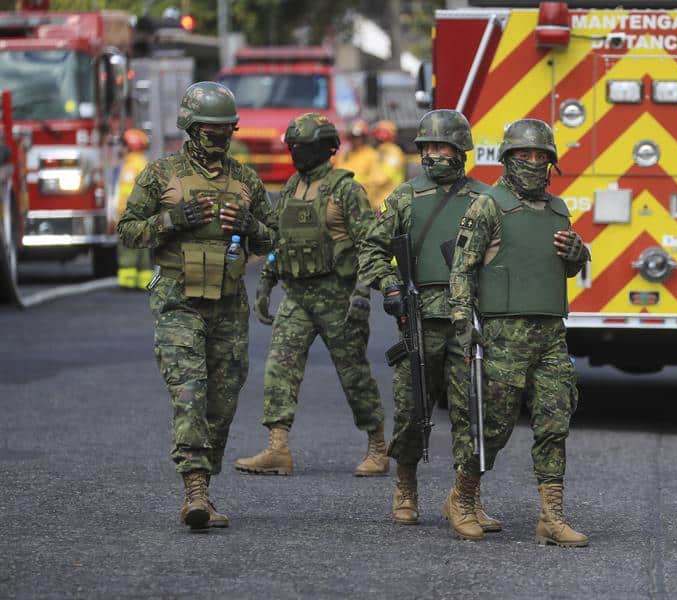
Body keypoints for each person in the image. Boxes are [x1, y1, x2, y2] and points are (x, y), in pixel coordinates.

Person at [117, 81, 278, 531]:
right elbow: (128, 230)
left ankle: (205, 484)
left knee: (222, 400)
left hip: (228, 304)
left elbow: (274, 236)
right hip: (177, 300)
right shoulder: (160, 173)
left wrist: (249, 227)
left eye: (226, 129)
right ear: (190, 127)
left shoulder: (245, 179)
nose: (219, 136)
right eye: (210, 128)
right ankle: (195, 491)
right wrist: (171, 220)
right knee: (190, 390)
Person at [447, 118, 590, 546]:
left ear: (551, 163)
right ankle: (462, 497)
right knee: (492, 425)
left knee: (554, 421)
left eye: (540, 156)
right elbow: (462, 268)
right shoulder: (488, 205)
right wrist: (461, 322)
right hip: (503, 335)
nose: (533, 162)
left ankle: (551, 516)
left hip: (550, 334)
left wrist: (579, 254)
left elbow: (567, 265)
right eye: (524, 155)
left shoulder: (558, 210)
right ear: (508, 159)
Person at [357, 109, 499, 534]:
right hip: (418, 319)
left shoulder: (485, 199)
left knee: (471, 411)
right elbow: (371, 250)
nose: (435, 155)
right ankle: (405, 487)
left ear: (461, 151)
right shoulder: (404, 197)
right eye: (428, 147)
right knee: (411, 410)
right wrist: (390, 286)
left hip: (467, 320)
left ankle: (466, 498)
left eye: (443, 147)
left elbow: (501, 259)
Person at [234, 113, 387, 478]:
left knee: (354, 374)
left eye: (302, 147)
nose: (296, 153)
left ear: (325, 148)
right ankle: (277, 448)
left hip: (338, 297)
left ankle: (378, 447)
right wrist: (267, 281)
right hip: (298, 296)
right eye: (293, 147)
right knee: (279, 369)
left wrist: (363, 292)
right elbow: (278, 239)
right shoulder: (290, 188)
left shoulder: (346, 189)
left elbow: (370, 244)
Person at [115, 128, 152, 289]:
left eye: (124, 145)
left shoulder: (131, 165)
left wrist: (121, 215)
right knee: (143, 248)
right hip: (144, 214)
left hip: (131, 215)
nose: (121, 149)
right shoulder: (144, 163)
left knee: (128, 247)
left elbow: (127, 193)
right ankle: (144, 280)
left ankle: (127, 280)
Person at [333, 119, 389, 211]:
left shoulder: (372, 155)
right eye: (353, 136)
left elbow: (376, 181)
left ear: (364, 137)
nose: (356, 140)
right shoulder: (344, 155)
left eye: (358, 136)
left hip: (362, 204)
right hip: (341, 203)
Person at [371, 119, 407, 210]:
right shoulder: (379, 151)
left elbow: (382, 178)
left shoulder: (393, 152)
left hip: (388, 203)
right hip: (379, 203)